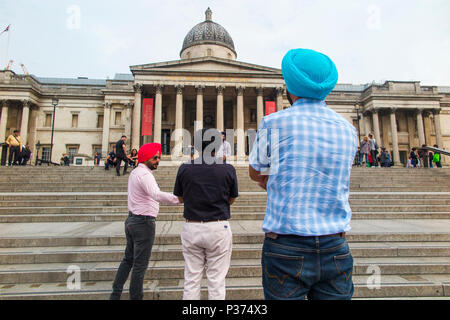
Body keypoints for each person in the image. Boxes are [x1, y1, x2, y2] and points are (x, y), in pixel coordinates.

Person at [249, 48, 357, 300]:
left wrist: (272, 180)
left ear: (290, 87)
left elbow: (256, 171)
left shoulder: (273, 123)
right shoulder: (347, 129)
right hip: (335, 245)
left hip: (287, 245)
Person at [174, 128, 238, 300]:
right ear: (219, 145)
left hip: (192, 226)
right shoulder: (228, 169)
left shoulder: (184, 168)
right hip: (218, 227)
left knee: (191, 279)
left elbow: (180, 198)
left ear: (194, 145)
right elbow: (231, 199)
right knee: (217, 281)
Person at [110, 143, 180, 300]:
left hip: (132, 220)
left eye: (159, 158)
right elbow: (156, 194)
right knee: (139, 266)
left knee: (128, 260)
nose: (158, 161)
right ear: (146, 157)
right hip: (143, 223)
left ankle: (115, 294)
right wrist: (179, 199)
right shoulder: (145, 175)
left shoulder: (135, 172)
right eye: (155, 158)